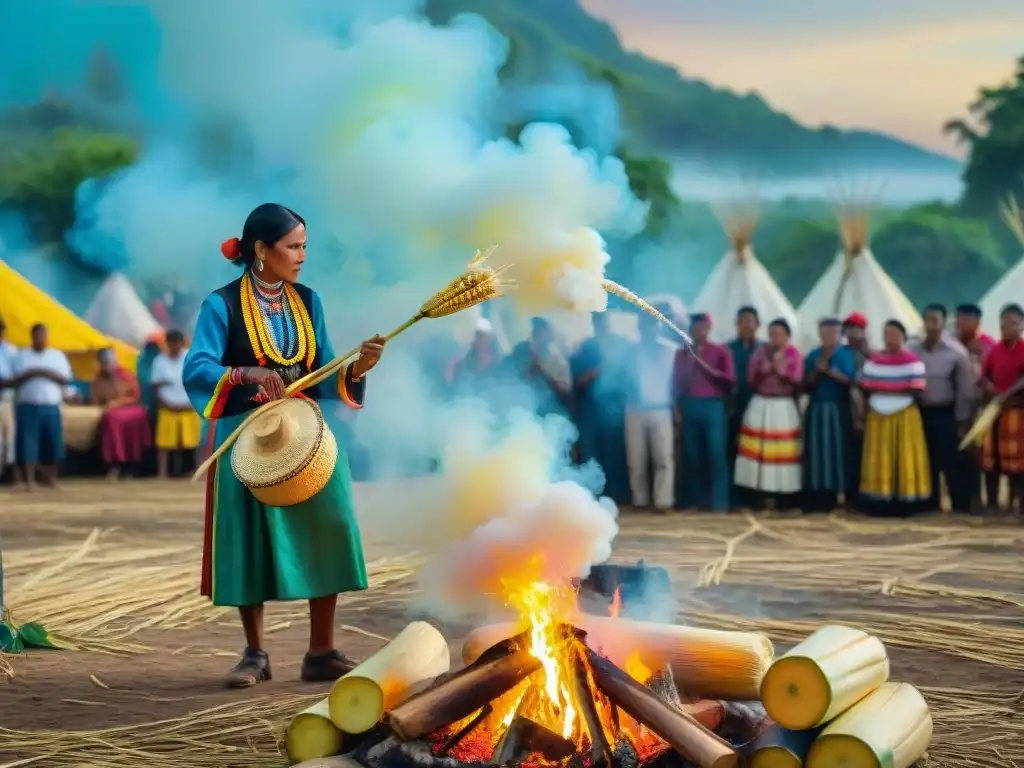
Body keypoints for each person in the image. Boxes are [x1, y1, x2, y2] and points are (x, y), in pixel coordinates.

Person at [183, 203, 387, 687]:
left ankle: (322, 650)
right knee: (248, 535)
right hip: (247, 438)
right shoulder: (221, 305)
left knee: (331, 522)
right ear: (260, 250)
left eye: (304, 246)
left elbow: (321, 370)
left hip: (306, 434)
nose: (301, 256)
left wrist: (356, 369)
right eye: (293, 246)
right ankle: (255, 653)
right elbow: (197, 367)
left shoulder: (307, 300)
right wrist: (242, 372)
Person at [858, 320, 931, 515]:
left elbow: (916, 388)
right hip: (878, 415)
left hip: (904, 414)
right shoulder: (874, 361)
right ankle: (880, 500)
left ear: (903, 337)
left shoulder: (912, 362)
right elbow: (866, 385)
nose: (890, 339)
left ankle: (906, 502)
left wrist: (884, 388)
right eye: (886, 334)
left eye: (894, 334)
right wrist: (895, 388)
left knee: (904, 455)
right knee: (879, 456)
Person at [908, 305, 974, 512]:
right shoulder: (912, 349)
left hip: (946, 412)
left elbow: (965, 389)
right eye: (927, 320)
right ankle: (930, 504)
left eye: (935, 320)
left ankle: (959, 505)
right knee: (925, 460)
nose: (930, 325)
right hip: (919, 412)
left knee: (951, 462)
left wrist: (963, 421)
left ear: (943, 323)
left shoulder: (956, 352)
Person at [734, 318, 803, 507]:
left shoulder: (794, 354)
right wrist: (763, 371)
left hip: (783, 405)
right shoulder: (760, 351)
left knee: (782, 450)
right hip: (761, 403)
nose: (775, 338)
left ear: (788, 336)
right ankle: (757, 492)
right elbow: (750, 377)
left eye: (779, 334)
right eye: (772, 333)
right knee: (759, 450)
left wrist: (781, 370)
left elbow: (797, 379)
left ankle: (783, 494)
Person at [672, 313, 734, 510]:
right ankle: (694, 501)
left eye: (703, 327)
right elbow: (677, 384)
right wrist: (678, 409)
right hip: (690, 404)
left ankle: (719, 502)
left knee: (716, 453)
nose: (700, 331)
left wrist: (702, 363)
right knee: (692, 454)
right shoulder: (681, 353)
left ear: (709, 328)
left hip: (713, 404)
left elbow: (729, 380)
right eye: (696, 327)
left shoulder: (720, 351)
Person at [570, 312, 630, 504]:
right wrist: (595, 373)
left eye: (603, 321)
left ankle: (617, 495)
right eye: (597, 321)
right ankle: (592, 495)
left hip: (614, 408)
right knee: (591, 453)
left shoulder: (621, 345)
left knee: (615, 454)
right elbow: (576, 381)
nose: (601, 325)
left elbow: (630, 379)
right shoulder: (585, 348)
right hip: (590, 409)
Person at [624, 312, 678, 510]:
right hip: (634, 408)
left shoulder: (672, 351)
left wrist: (677, 408)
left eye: (653, 325)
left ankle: (663, 501)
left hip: (661, 409)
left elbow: (678, 384)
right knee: (635, 458)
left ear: (659, 327)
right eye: (645, 325)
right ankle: (640, 500)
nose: (649, 329)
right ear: (639, 328)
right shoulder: (630, 351)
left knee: (663, 457)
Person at [802, 318, 856, 512]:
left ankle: (840, 492)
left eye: (833, 333)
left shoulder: (846, 354)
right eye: (824, 333)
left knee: (838, 451)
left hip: (838, 407)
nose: (828, 337)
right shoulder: (813, 355)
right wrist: (816, 372)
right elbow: (806, 386)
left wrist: (830, 371)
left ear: (839, 334)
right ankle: (819, 493)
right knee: (817, 451)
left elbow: (850, 380)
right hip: (817, 407)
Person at [11, 324, 72, 490]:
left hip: (50, 405)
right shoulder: (21, 356)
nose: (41, 339)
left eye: (43, 336)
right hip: (28, 405)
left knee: (53, 442)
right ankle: (29, 480)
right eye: (37, 336)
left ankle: (51, 477)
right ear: (32, 337)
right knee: (28, 443)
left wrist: (44, 373)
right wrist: (31, 374)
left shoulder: (56, 356)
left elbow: (66, 379)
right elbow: (12, 380)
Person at [978, 303, 1024, 511]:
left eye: (1013, 323)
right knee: (991, 461)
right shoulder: (994, 351)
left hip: (1018, 412)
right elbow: (983, 378)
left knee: (1019, 464)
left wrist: (1009, 393)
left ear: (1022, 325)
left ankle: (1018, 503)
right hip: (995, 411)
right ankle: (993, 503)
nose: (1008, 327)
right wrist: (994, 392)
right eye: (1004, 323)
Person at [955, 303, 995, 509]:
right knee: (961, 455)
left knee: (981, 455)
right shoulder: (950, 342)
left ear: (977, 321)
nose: (959, 323)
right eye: (958, 318)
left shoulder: (988, 345)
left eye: (965, 319)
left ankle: (983, 499)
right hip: (956, 407)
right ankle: (966, 498)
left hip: (982, 406)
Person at [91, 348, 152, 480]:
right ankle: (114, 463)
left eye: (108, 363)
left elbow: (135, 397)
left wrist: (117, 402)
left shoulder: (125, 375)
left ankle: (130, 465)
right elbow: (96, 399)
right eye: (103, 363)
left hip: (131, 409)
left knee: (119, 418)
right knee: (109, 418)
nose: (106, 366)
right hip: (112, 411)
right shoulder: (98, 379)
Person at [152, 330, 203, 478]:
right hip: (168, 406)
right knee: (164, 443)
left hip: (189, 406)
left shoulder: (191, 358)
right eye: (171, 343)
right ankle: (162, 473)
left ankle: (197, 471)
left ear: (182, 343)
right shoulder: (159, 361)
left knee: (193, 441)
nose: (174, 346)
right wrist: (164, 403)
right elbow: (154, 386)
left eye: (177, 343)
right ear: (167, 344)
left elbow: (199, 381)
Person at [512, 317, 572, 419]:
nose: (539, 336)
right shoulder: (524, 353)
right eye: (536, 332)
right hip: (527, 409)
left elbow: (565, 389)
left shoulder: (556, 359)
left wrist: (544, 374)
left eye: (543, 332)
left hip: (553, 411)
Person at [842, 312, 871, 506]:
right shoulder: (841, 352)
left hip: (868, 405)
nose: (854, 333)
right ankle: (850, 494)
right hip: (845, 405)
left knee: (865, 450)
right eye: (850, 329)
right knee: (848, 450)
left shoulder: (871, 355)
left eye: (858, 329)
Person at [0, 318, 17, 483]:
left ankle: (9, 472)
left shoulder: (10, 351)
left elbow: (17, 375)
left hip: (6, 397)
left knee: (9, 436)